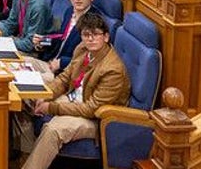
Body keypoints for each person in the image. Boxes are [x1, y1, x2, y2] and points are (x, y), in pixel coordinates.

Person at [17, 12, 130, 169]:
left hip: (95, 118)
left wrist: (51, 107)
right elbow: (65, 78)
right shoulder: (82, 49)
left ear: (106, 37)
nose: (90, 39)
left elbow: (91, 109)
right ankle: (27, 156)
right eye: (86, 35)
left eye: (96, 34)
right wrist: (46, 95)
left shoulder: (113, 69)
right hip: (73, 98)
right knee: (27, 97)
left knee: (53, 130)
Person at [29, 0, 99, 80]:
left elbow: (90, 59)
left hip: (65, 75)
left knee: (27, 77)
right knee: (18, 65)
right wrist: (43, 42)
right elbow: (61, 38)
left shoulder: (94, 23)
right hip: (50, 63)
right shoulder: (69, 11)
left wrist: (62, 63)